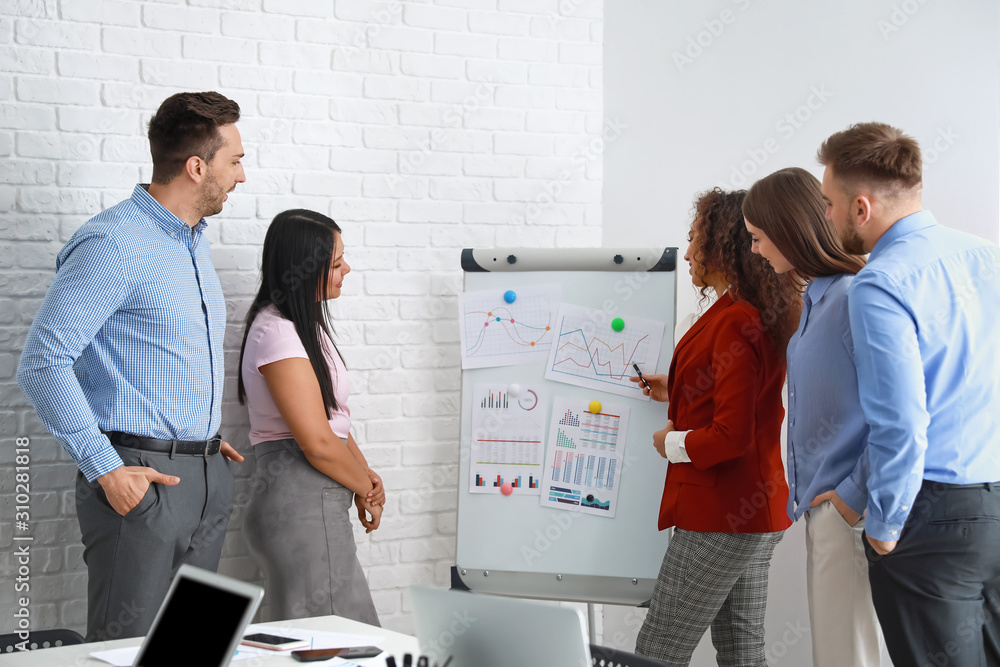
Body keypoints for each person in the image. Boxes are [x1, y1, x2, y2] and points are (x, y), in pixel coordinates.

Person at [17, 92, 246, 641]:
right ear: (197, 167)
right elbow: (43, 361)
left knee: (192, 648)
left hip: (205, 475)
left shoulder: (193, 246)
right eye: (234, 160)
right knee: (126, 651)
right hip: (141, 478)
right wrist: (105, 467)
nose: (242, 175)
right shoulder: (113, 244)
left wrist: (202, 439)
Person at [817, 122, 1000, 666]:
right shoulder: (988, 256)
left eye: (829, 203)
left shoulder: (881, 282)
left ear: (861, 208)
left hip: (935, 516)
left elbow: (899, 421)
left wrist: (886, 526)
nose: (825, 217)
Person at [632, 188, 801, 665]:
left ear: (720, 246)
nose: (686, 253)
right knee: (742, 653)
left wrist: (672, 443)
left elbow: (731, 436)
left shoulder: (734, 321)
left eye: (693, 240)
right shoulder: (750, 312)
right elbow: (749, 398)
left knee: (658, 650)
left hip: (723, 514)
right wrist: (680, 388)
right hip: (754, 511)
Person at [743, 167, 882, 666]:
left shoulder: (852, 299)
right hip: (823, 509)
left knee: (846, 656)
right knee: (838, 654)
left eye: (758, 237)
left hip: (846, 511)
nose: (755, 250)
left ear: (787, 228)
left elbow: (900, 407)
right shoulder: (814, 302)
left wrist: (850, 498)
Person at [238, 209, 384, 625]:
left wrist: (364, 476)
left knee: (331, 636)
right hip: (302, 502)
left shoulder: (304, 327)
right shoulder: (278, 333)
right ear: (304, 268)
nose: (347, 269)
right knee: (339, 642)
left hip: (315, 500)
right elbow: (317, 444)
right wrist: (366, 487)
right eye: (336, 263)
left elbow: (333, 422)